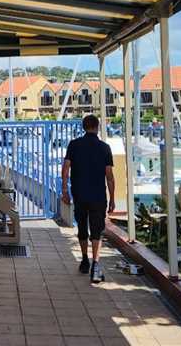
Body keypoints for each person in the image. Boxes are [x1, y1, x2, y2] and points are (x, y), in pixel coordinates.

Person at [61, 114, 115, 283]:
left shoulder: (74, 145)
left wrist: (65, 190)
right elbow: (110, 176)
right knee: (97, 231)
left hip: (79, 194)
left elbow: (66, 169)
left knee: (82, 228)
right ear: (97, 127)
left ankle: (84, 259)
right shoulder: (105, 148)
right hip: (98, 196)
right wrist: (112, 198)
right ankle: (96, 265)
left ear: (83, 127)